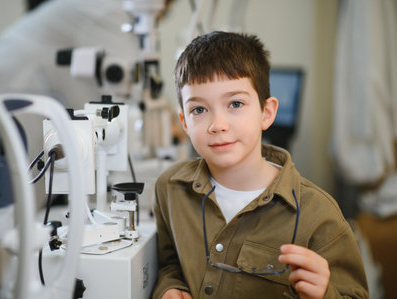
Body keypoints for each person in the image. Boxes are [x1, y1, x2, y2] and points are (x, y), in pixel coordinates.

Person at [152, 31, 368, 298]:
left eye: (235, 103)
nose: (218, 125)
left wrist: (325, 293)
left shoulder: (319, 215)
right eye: (199, 110)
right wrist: (171, 286)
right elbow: (170, 262)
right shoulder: (170, 189)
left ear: (266, 113)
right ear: (184, 122)